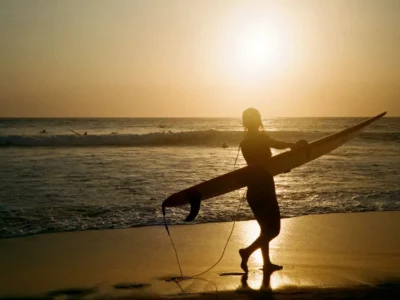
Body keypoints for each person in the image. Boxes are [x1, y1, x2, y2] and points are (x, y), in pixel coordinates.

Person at [238, 108, 307, 273]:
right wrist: (292, 146)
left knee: (265, 230)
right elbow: (276, 145)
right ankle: (247, 252)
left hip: (253, 191)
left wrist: (281, 167)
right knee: (274, 230)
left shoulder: (245, 142)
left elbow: (259, 165)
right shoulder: (260, 138)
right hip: (265, 189)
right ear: (257, 120)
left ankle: (267, 263)